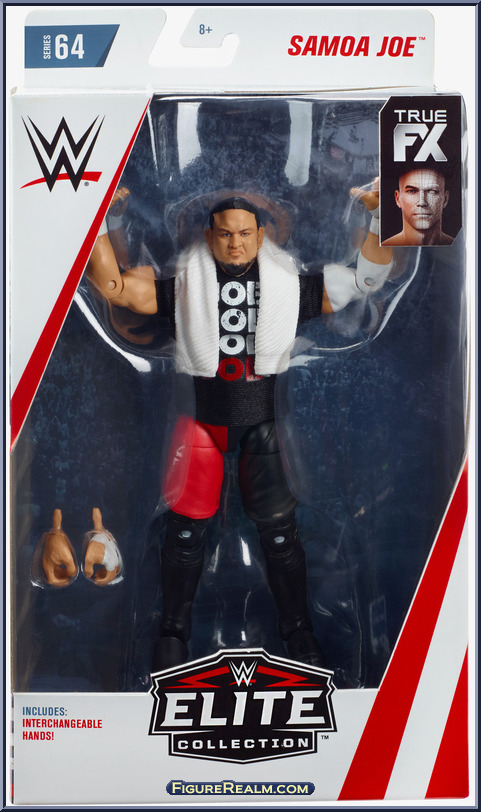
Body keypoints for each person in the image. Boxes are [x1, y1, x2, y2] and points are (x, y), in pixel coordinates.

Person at [42, 186, 392, 671]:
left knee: (280, 536)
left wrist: (382, 220)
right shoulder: (186, 285)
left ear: (261, 236)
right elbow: (116, 288)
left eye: (245, 234)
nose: (235, 243)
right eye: (225, 234)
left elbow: (365, 280)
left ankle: (299, 632)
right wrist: (100, 222)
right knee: (185, 533)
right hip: (202, 424)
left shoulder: (288, 286)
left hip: (261, 423)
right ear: (209, 237)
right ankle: (172, 635)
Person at [382, 167, 454, 246]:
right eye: (411, 191)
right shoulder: (383, 249)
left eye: (432, 191)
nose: (422, 202)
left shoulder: (458, 246)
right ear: (398, 199)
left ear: (445, 199)